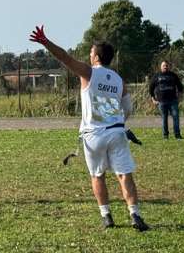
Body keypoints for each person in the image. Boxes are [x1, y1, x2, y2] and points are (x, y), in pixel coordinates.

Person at [29, 25, 149, 231]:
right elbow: (128, 108)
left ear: (96, 57)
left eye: (91, 52)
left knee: (97, 175)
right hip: (117, 132)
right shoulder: (119, 80)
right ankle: (134, 214)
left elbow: (65, 58)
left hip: (93, 134)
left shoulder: (89, 73)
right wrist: (119, 122)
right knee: (124, 175)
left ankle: (106, 216)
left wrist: (45, 42)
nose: (89, 54)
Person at [149, 61, 184, 139]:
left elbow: (180, 87)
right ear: (161, 67)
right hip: (161, 102)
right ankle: (165, 136)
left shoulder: (173, 75)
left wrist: (179, 98)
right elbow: (151, 88)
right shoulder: (156, 76)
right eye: (164, 65)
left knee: (176, 117)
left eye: (167, 65)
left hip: (173, 101)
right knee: (164, 119)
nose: (165, 67)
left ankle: (177, 135)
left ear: (169, 67)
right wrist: (153, 99)